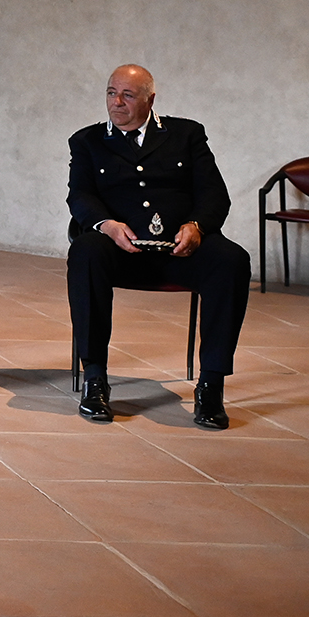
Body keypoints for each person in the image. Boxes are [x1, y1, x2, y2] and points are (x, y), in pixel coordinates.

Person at [68, 64, 249, 429]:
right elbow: (80, 195)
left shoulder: (186, 134)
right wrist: (108, 225)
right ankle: (95, 381)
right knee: (86, 252)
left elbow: (214, 193)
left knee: (232, 260)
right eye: (110, 93)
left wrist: (197, 226)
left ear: (150, 99)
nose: (116, 103)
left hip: (182, 251)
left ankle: (211, 385)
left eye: (127, 95)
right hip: (122, 251)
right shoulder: (86, 141)